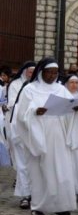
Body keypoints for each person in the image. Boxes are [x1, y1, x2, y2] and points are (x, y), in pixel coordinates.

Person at [13, 58, 78, 215]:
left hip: (58, 134)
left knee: (61, 170)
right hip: (38, 135)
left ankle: (61, 205)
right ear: (41, 72)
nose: (52, 75)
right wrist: (36, 112)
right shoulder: (30, 89)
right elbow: (21, 115)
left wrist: (74, 110)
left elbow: (67, 109)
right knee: (40, 172)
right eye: (49, 72)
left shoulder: (61, 89)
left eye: (55, 73)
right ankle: (39, 206)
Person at [7, 61, 36, 207]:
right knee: (23, 166)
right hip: (21, 135)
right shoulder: (16, 84)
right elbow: (13, 104)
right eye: (29, 72)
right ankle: (25, 195)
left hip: (37, 139)